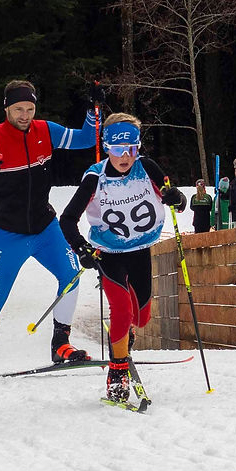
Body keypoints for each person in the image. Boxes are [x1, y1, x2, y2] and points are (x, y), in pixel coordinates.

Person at [0, 79, 104, 380]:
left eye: (30, 108)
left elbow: (87, 139)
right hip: (9, 234)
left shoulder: (46, 131)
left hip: (45, 228)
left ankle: (61, 344)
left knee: (70, 277)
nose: (25, 115)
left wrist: (93, 109)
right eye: (19, 109)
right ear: (7, 108)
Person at [59, 113, 186, 402]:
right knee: (122, 311)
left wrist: (176, 198)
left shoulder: (147, 168)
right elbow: (67, 220)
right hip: (109, 253)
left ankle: (124, 334)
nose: (125, 156)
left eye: (131, 149)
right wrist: (82, 249)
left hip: (141, 248)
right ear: (107, 148)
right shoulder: (95, 177)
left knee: (140, 318)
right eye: (118, 150)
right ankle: (117, 374)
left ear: (137, 147)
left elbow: (176, 198)